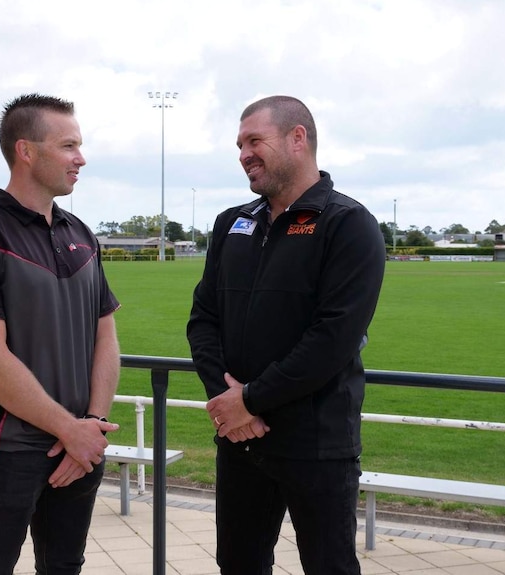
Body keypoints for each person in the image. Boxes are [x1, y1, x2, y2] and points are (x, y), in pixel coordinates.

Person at [187, 95, 386, 574]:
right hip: (240, 439)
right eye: (239, 144)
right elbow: (203, 319)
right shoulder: (231, 222)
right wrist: (226, 399)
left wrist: (250, 400)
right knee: (238, 565)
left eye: (255, 140)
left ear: (298, 139)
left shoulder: (347, 224)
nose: (243, 153)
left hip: (316, 446)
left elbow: (333, 339)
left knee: (328, 567)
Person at [0, 93, 121, 575]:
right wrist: (71, 430)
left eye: (79, 145)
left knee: (64, 568)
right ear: (26, 151)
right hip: (7, 450)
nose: (80, 158)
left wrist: (92, 426)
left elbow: (107, 339)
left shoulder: (82, 232)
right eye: (68, 146)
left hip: (80, 447)